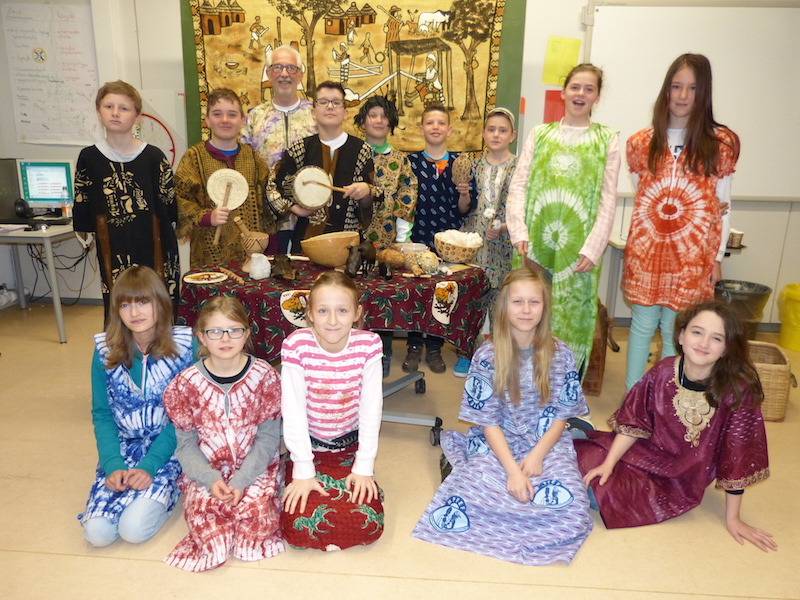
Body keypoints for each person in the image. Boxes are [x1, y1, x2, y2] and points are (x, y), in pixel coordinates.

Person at [411, 268, 593, 565]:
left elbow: (561, 416)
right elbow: (489, 422)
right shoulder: (487, 356)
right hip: (497, 441)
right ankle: (480, 480)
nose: (526, 310)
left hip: (546, 441)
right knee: (467, 492)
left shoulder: (561, 354)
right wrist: (513, 472)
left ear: (545, 307)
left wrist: (536, 457)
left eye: (534, 302)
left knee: (575, 508)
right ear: (504, 307)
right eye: (517, 302)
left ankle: (522, 512)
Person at [575, 300, 777, 552]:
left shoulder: (737, 391)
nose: (704, 343)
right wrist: (609, 464)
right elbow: (634, 422)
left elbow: (738, 457)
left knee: (601, 497)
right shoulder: (662, 371)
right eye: (697, 332)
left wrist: (733, 518)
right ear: (681, 336)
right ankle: (578, 434)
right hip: (644, 454)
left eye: (716, 338)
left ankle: (577, 435)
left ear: (727, 348)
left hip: (682, 480)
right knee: (588, 460)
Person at [622, 54, 738, 390]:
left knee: (678, 331)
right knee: (642, 326)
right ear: (666, 90)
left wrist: (716, 257)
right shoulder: (640, 143)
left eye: (693, 88)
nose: (683, 95)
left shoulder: (720, 144)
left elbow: (723, 206)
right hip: (647, 253)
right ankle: (632, 398)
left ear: (704, 92)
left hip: (691, 257)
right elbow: (645, 195)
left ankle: (666, 400)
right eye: (676, 86)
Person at [507, 64, 620, 381]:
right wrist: (518, 230)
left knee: (570, 315)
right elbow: (519, 184)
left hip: (579, 248)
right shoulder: (540, 134)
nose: (580, 94)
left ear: (597, 97)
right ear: (564, 91)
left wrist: (594, 248)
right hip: (535, 243)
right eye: (575, 87)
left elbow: (607, 198)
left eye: (589, 89)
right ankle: (522, 382)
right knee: (529, 310)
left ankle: (561, 384)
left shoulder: (606, 140)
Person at [162, 297, 283, 571]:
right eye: (215, 331)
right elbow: (185, 445)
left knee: (253, 530)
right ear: (201, 337)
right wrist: (209, 478)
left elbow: (267, 440)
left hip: (255, 469)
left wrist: (241, 481)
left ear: (247, 334)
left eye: (234, 330)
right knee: (212, 539)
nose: (225, 338)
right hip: (206, 472)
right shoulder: (185, 385)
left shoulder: (265, 377)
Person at [78, 266, 193, 547]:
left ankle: (175, 487)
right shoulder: (105, 350)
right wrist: (112, 464)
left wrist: (149, 466)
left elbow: (185, 420)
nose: (134, 312)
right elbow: (102, 414)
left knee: (133, 530)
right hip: (124, 447)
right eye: (125, 304)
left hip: (171, 448)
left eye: (143, 302)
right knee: (97, 534)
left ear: (160, 303)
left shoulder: (185, 347)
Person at [280, 271, 384, 551]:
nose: (333, 320)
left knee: (367, 525)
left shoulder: (369, 345)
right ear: (310, 313)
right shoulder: (296, 346)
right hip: (308, 448)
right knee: (298, 527)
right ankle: (289, 472)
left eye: (342, 310)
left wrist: (364, 466)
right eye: (323, 311)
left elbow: (371, 410)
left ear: (357, 313)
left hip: (350, 447)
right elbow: (293, 412)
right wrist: (303, 469)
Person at [73, 81, 180, 318]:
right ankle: (120, 339)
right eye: (109, 106)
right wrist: (84, 228)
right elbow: (82, 198)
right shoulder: (89, 157)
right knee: (119, 300)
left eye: (123, 108)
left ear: (137, 117)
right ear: (99, 112)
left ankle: (162, 338)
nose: (115, 113)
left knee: (156, 299)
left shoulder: (154, 157)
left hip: (153, 242)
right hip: (112, 242)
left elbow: (169, 203)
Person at [403, 104, 477, 374]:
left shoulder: (461, 163)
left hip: (449, 241)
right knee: (417, 291)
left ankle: (435, 346)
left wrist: (464, 193)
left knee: (441, 291)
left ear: (449, 130)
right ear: (421, 128)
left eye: (441, 123)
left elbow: (465, 209)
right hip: (418, 236)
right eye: (430, 122)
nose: (435, 127)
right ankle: (414, 345)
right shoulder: (411, 162)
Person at [176, 88, 275, 269]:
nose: (225, 120)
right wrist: (207, 217)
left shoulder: (254, 159)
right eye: (217, 114)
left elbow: (269, 202)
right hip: (208, 253)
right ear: (207, 120)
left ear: (242, 120)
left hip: (250, 256)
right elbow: (181, 200)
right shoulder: (193, 158)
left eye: (232, 114)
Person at [273, 81, 379, 249]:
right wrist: (297, 209)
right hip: (306, 242)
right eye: (323, 102)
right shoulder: (299, 149)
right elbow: (274, 186)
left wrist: (366, 191)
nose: (330, 106)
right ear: (313, 112)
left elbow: (375, 196)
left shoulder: (361, 150)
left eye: (336, 102)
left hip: (347, 242)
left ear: (345, 113)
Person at [454, 107, 518, 377]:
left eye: (502, 130)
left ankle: (500, 356)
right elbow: (464, 208)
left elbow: (524, 208)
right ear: (483, 133)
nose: (496, 135)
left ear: (512, 135)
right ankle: (466, 353)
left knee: (501, 301)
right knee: (473, 299)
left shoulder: (519, 167)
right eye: (491, 129)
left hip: (504, 246)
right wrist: (463, 194)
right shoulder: (474, 166)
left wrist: (504, 228)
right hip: (475, 243)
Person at [241, 45, 317, 253]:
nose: (284, 74)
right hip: (267, 218)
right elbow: (245, 166)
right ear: (268, 73)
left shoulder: (315, 114)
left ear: (300, 75)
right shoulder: (255, 117)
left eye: (291, 68)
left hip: (311, 217)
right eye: (278, 67)